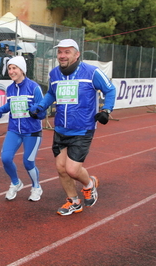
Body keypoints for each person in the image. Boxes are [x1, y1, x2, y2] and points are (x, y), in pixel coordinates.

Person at [30, 39, 116, 216]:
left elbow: (110, 90)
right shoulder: (54, 74)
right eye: (60, 52)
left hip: (82, 128)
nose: (62, 55)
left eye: (67, 52)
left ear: (77, 54)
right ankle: (74, 201)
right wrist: (41, 106)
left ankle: (89, 183)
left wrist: (106, 110)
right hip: (60, 128)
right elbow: (51, 94)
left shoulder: (91, 72)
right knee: (61, 169)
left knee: (72, 170)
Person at [0, 56, 47, 201]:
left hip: (32, 132)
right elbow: (10, 105)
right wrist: (1, 109)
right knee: (5, 158)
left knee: (28, 162)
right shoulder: (10, 89)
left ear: (22, 70)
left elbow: (43, 112)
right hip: (14, 130)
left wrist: (36, 110)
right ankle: (16, 183)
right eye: (9, 68)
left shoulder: (34, 87)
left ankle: (36, 187)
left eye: (14, 68)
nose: (11, 71)